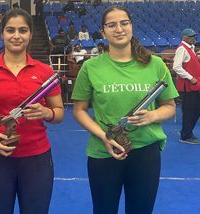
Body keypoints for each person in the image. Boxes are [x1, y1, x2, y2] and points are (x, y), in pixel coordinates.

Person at [72, 5, 178, 214]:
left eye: (124, 23)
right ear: (103, 32)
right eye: (111, 25)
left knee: (141, 210)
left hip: (145, 153)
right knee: (103, 209)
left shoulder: (155, 64)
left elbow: (170, 107)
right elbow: (79, 110)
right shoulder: (90, 67)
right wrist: (104, 136)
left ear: (131, 26)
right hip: (104, 151)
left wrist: (152, 115)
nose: (119, 29)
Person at [0, 8, 64, 214]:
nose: (16, 36)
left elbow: (59, 113)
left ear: (30, 34)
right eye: (10, 30)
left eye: (22, 30)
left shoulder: (45, 73)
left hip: (37, 158)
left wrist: (47, 113)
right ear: (2, 34)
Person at [173, 28, 200, 144]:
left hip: (194, 85)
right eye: (191, 36)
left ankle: (187, 132)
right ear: (184, 37)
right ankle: (185, 135)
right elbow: (176, 67)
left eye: (194, 36)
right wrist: (191, 78)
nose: (193, 38)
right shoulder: (182, 49)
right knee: (190, 111)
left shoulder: (190, 48)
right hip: (189, 85)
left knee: (194, 110)